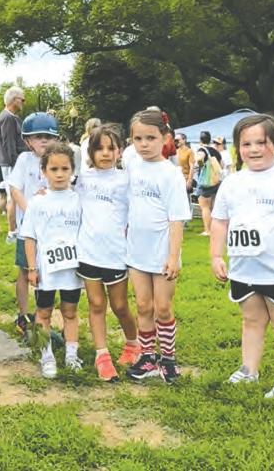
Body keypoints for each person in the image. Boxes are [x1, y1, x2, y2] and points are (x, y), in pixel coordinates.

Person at [210, 114, 274, 398]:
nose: (254, 149)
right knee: (251, 320)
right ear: (237, 148)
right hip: (244, 269)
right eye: (246, 144)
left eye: (261, 142)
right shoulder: (231, 183)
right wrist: (216, 256)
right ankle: (249, 370)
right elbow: (219, 221)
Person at [124, 109, 191, 384]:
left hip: (163, 251)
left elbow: (177, 219)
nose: (144, 144)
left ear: (165, 138)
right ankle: (148, 357)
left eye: (150, 138)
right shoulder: (131, 166)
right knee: (143, 306)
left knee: (162, 307)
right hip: (136, 251)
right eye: (138, 138)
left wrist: (173, 257)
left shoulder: (170, 174)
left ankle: (169, 358)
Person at [75, 125, 140, 382]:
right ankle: (102, 356)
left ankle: (133, 344)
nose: (105, 153)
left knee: (120, 305)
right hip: (88, 252)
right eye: (99, 148)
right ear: (90, 152)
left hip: (116, 254)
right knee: (96, 304)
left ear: (119, 151)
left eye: (110, 148)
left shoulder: (126, 180)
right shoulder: (82, 179)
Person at [20, 142, 83, 378]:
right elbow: (29, 237)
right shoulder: (37, 202)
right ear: (44, 171)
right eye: (53, 169)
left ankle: (71, 355)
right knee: (43, 312)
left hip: (71, 269)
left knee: (70, 311)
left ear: (72, 170)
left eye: (65, 169)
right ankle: (46, 355)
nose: (59, 174)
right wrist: (31, 268)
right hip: (46, 269)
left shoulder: (78, 200)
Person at [8, 112, 58, 337]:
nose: (43, 140)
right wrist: (29, 211)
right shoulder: (24, 160)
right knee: (24, 270)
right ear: (28, 140)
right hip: (27, 229)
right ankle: (23, 314)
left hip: (51, 230)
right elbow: (15, 188)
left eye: (48, 136)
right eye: (38, 136)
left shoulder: (58, 160)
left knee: (44, 273)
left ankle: (42, 317)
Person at [0, 86, 27, 243]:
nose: (23, 103)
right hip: (11, 163)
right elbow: (9, 144)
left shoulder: (10, 117)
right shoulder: (8, 118)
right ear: (14, 100)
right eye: (22, 99)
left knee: (14, 196)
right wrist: (17, 164)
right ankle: (12, 232)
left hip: (12, 162)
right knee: (13, 197)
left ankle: (16, 229)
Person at [196, 131, 224, 236]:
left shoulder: (202, 150)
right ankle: (216, 229)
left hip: (205, 182)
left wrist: (201, 165)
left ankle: (208, 230)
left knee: (205, 207)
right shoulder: (215, 151)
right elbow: (221, 165)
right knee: (214, 207)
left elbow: (199, 158)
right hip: (216, 181)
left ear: (200, 140)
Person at [174, 133, 196, 208]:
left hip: (185, 178)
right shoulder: (175, 151)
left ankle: (188, 214)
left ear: (184, 140)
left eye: (178, 140)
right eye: (175, 140)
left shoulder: (189, 151)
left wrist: (189, 181)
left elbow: (192, 167)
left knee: (186, 201)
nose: (176, 141)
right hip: (176, 179)